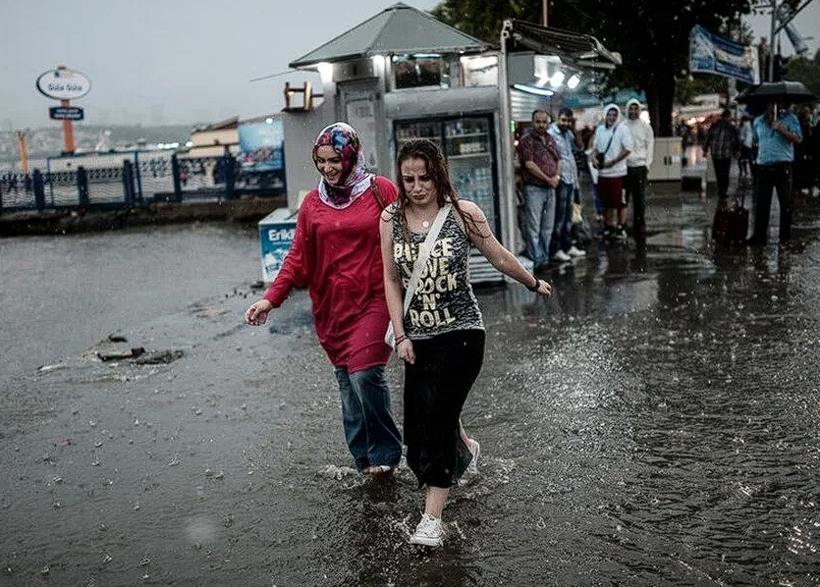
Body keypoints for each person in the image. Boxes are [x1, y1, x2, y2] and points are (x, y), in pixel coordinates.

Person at [380, 139, 551, 547]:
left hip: (462, 335)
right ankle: (467, 448)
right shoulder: (390, 218)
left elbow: (499, 256)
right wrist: (400, 335)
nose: (417, 186)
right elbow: (389, 278)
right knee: (420, 428)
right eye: (409, 179)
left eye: (425, 178)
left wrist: (531, 281)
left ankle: (432, 519)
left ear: (439, 175)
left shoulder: (463, 214)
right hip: (417, 339)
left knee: (436, 421)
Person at [245, 122, 402, 478]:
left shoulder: (382, 190)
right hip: (332, 308)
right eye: (321, 161)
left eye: (335, 160)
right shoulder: (314, 203)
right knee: (347, 384)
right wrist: (271, 299)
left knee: (364, 375)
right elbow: (298, 257)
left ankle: (387, 452)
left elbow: (409, 233)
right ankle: (363, 458)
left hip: (377, 299)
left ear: (351, 156)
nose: (328, 168)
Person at [747, 102, 803, 245]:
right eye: (769, 104)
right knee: (761, 204)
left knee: (785, 204)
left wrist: (781, 129)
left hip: (782, 166)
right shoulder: (758, 121)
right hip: (763, 166)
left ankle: (785, 237)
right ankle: (759, 236)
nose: (772, 107)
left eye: (775, 104)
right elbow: (755, 141)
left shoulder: (790, 118)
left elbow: (798, 138)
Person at [517, 110, 562, 267]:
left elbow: (559, 159)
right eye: (538, 122)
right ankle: (536, 260)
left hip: (550, 188)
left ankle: (544, 258)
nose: (541, 125)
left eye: (544, 122)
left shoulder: (550, 138)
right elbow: (529, 164)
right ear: (532, 122)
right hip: (534, 188)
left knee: (547, 227)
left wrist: (556, 177)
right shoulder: (526, 140)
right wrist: (548, 179)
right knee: (534, 227)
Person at [548, 108, 586, 262]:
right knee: (560, 216)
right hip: (561, 179)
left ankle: (568, 245)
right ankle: (557, 248)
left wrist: (574, 130)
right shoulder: (551, 134)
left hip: (571, 178)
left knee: (570, 215)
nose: (566, 123)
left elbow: (579, 147)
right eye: (563, 120)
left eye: (568, 121)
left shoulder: (568, 133)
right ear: (558, 119)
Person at [592, 104, 633, 240]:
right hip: (603, 174)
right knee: (606, 202)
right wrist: (594, 158)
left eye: (614, 115)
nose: (611, 117)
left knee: (621, 202)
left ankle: (621, 227)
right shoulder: (600, 130)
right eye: (609, 114)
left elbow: (628, 149)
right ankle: (609, 227)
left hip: (619, 173)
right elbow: (595, 148)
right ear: (605, 115)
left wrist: (614, 162)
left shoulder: (622, 129)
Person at [622, 98, 654, 242]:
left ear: (639, 110)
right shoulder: (622, 126)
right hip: (625, 167)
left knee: (639, 199)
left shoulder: (645, 127)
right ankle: (622, 225)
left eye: (635, 109)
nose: (633, 111)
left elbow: (650, 146)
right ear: (627, 109)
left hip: (640, 166)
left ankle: (639, 225)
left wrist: (647, 164)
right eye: (631, 108)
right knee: (624, 198)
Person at [704, 109, 738, 204]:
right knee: (725, 173)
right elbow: (735, 140)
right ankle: (723, 191)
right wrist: (736, 151)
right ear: (728, 116)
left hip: (715, 154)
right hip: (726, 154)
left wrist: (705, 149)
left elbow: (708, 138)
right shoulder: (730, 127)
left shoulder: (714, 126)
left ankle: (721, 190)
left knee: (719, 173)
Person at [738, 115, 754, 180]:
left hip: (744, 144)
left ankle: (743, 171)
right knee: (750, 159)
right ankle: (751, 171)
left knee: (741, 159)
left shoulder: (743, 125)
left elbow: (741, 137)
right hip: (749, 144)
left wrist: (740, 145)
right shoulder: (750, 124)